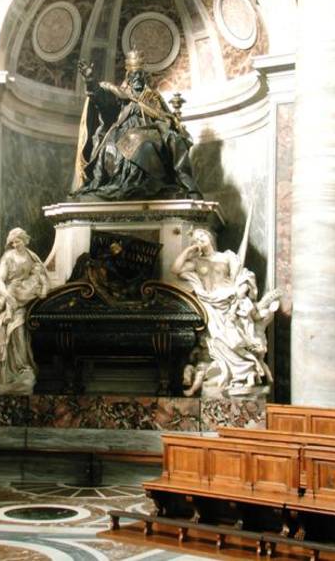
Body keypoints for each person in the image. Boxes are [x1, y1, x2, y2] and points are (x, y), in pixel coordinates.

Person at [72, 48, 201, 201]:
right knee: (143, 144)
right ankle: (139, 183)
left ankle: (189, 186)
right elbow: (102, 101)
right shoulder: (120, 95)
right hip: (126, 131)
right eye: (134, 75)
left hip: (154, 130)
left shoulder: (153, 96)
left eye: (140, 74)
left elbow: (166, 116)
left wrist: (168, 122)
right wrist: (90, 81)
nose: (138, 78)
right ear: (128, 75)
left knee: (175, 139)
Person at [171, 228, 280, 395]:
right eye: (196, 239)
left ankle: (243, 374)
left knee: (235, 337)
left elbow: (244, 276)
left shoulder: (227, 256)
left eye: (202, 236)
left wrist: (241, 291)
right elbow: (175, 269)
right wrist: (188, 251)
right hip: (210, 304)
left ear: (210, 237)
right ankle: (228, 374)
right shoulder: (196, 262)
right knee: (219, 339)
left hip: (230, 299)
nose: (200, 240)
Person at [0, 228, 50, 394]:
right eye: (12, 242)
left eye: (17, 241)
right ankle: (3, 376)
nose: (15, 244)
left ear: (24, 240)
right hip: (3, 295)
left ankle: (21, 368)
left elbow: (41, 276)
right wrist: (7, 296)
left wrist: (39, 287)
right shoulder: (8, 257)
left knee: (18, 331)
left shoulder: (32, 257)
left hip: (22, 296)